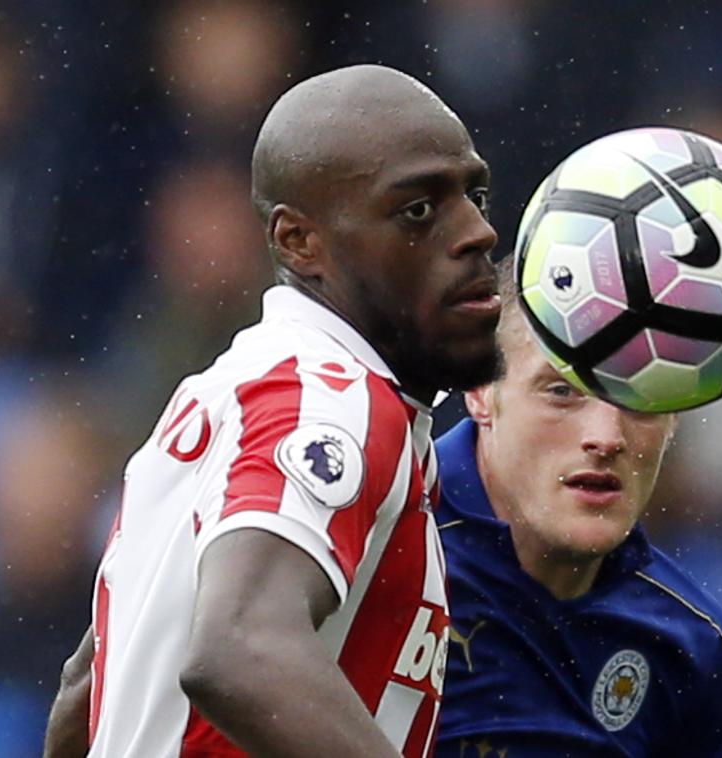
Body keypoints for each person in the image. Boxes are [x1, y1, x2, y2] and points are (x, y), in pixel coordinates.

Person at [43, 64, 502, 757]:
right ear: (298, 242)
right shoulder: (328, 401)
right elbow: (241, 647)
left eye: (475, 194)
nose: (477, 233)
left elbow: (86, 689)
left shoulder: (231, 391)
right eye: (418, 210)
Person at [433, 272, 722, 757]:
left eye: (640, 394)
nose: (606, 435)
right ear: (479, 390)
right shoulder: (375, 545)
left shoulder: (689, 647)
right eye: (561, 391)